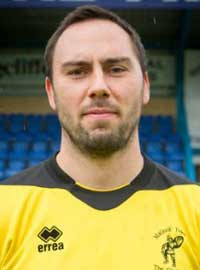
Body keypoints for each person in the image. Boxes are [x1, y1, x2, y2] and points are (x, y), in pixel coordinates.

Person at [0, 5, 200, 270]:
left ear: (146, 86)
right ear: (51, 92)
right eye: (77, 71)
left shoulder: (194, 211)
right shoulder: (6, 209)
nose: (98, 87)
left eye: (116, 69)